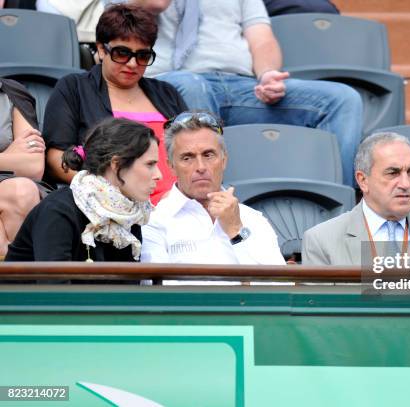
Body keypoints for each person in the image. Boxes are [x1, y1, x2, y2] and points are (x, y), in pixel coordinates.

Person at [131, 0, 362, 186]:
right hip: (173, 81)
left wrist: (268, 74)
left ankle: (340, 205)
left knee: (342, 99)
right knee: (194, 86)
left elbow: (261, 38)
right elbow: (152, 5)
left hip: (239, 85)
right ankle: (215, 204)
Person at [43, 3, 187, 204]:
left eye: (143, 56)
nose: (132, 64)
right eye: (122, 53)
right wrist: (106, 191)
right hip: (112, 206)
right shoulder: (74, 88)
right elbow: (55, 160)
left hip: (180, 207)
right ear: (102, 49)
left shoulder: (167, 93)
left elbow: (190, 148)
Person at [5, 118, 161, 261]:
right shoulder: (58, 211)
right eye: (150, 164)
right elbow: (53, 288)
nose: (159, 175)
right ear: (116, 164)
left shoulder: (130, 215)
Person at [141, 111, 285, 265]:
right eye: (187, 158)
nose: (200, 167)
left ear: (223, 160)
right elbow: (156, 288)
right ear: (171, 167)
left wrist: (236, 230)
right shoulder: (153, 221)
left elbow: (278, 285)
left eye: (208, 155)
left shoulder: (253, 219)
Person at [302, 132, 410, 266]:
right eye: (393, 173)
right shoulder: (321, 240)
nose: (406, 184)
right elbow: (321, 304)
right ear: (363, 180)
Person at [0, 79, 46, 258]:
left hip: (8, 187)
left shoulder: (10, 92)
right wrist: (9, 157)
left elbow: (33, 166)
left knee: (23, 191)